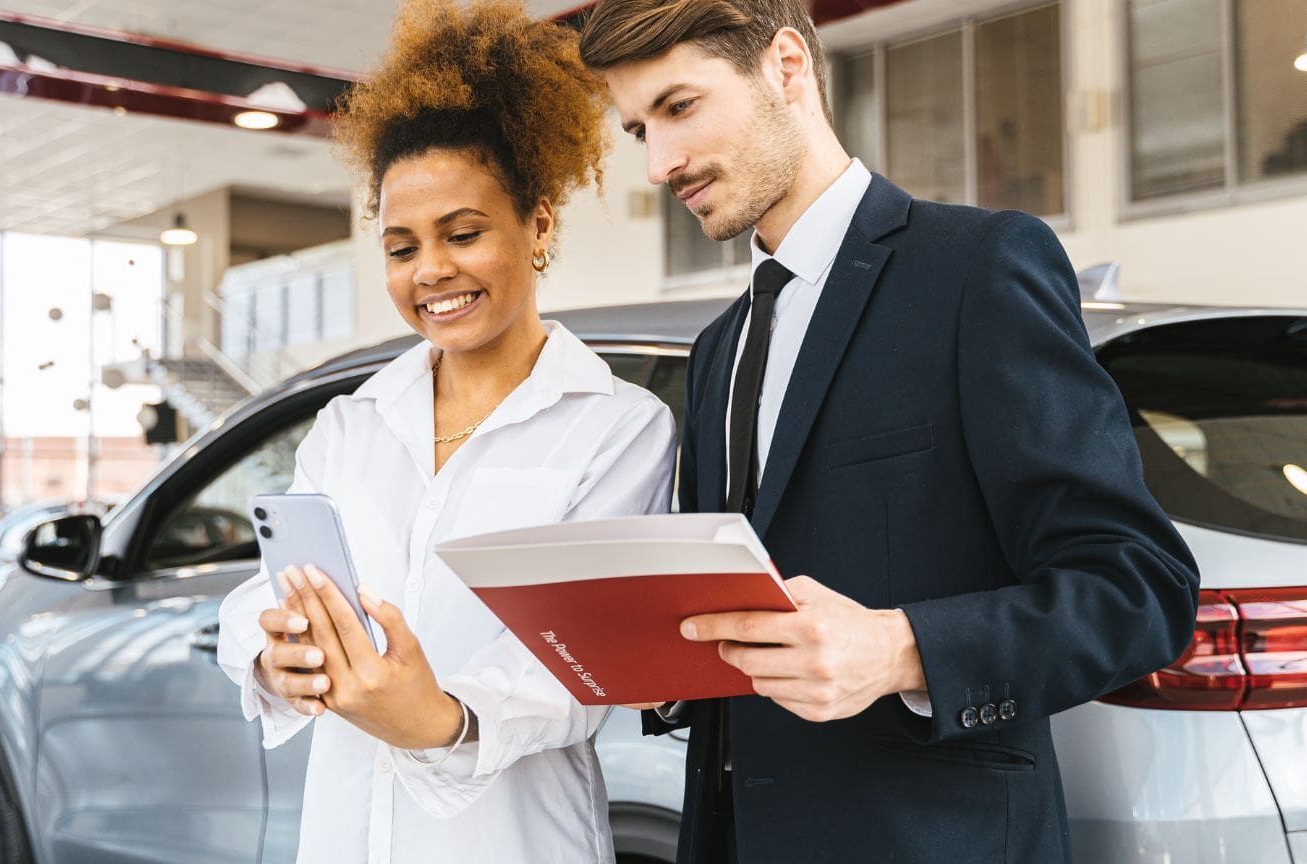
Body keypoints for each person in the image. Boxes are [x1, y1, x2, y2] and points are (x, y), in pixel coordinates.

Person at [578, 1, 1201, 861]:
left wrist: (901, 649)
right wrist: (665, 667)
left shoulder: (976, 269)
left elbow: (1139, 592)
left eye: (679, 108)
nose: (659, 164)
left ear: (787, 67)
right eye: (639, 131)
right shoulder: (720, 346)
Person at [215, 2, 676, 862]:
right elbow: (269, 592)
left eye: (463, 234)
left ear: (539, 225)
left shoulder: (617, 428)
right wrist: (274, 655)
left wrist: (440, 718)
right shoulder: (350, 424)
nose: (431, 270)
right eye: (401, 248)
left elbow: (583, 666)